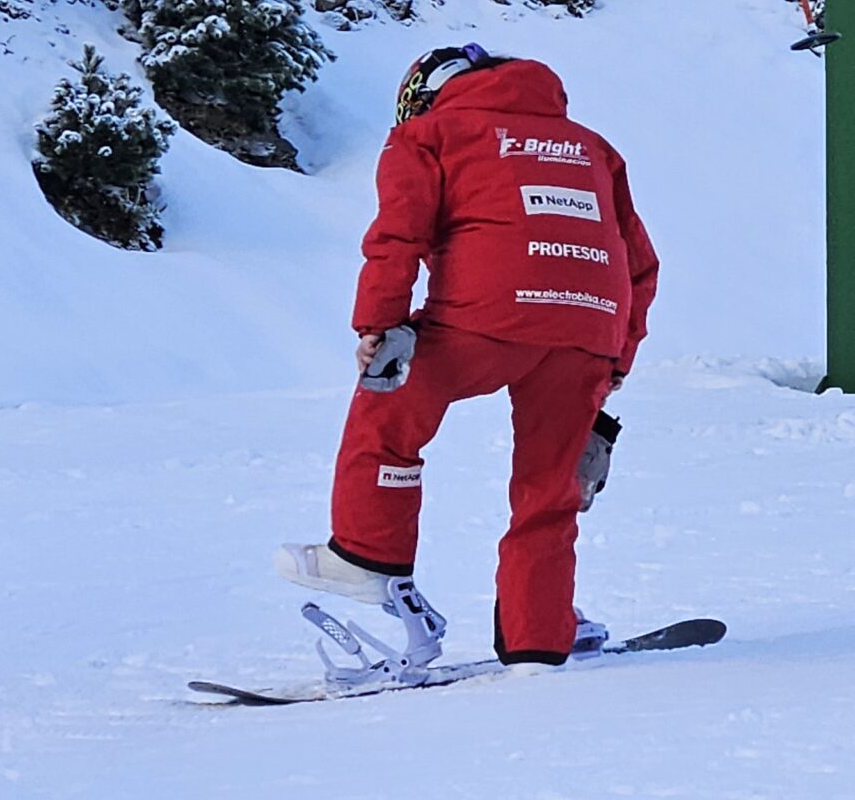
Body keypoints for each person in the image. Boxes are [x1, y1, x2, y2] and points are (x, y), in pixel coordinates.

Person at [276, 44, 658, 672]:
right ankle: (539, 638)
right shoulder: (594, 149)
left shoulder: (428, 136)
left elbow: (398, 234)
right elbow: (640, 264)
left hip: (483, 315)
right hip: (588, 326)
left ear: (423, 96)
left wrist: (380, 326)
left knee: (390, 406)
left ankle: (368, 558)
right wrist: (617, 357)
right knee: (550, 489)